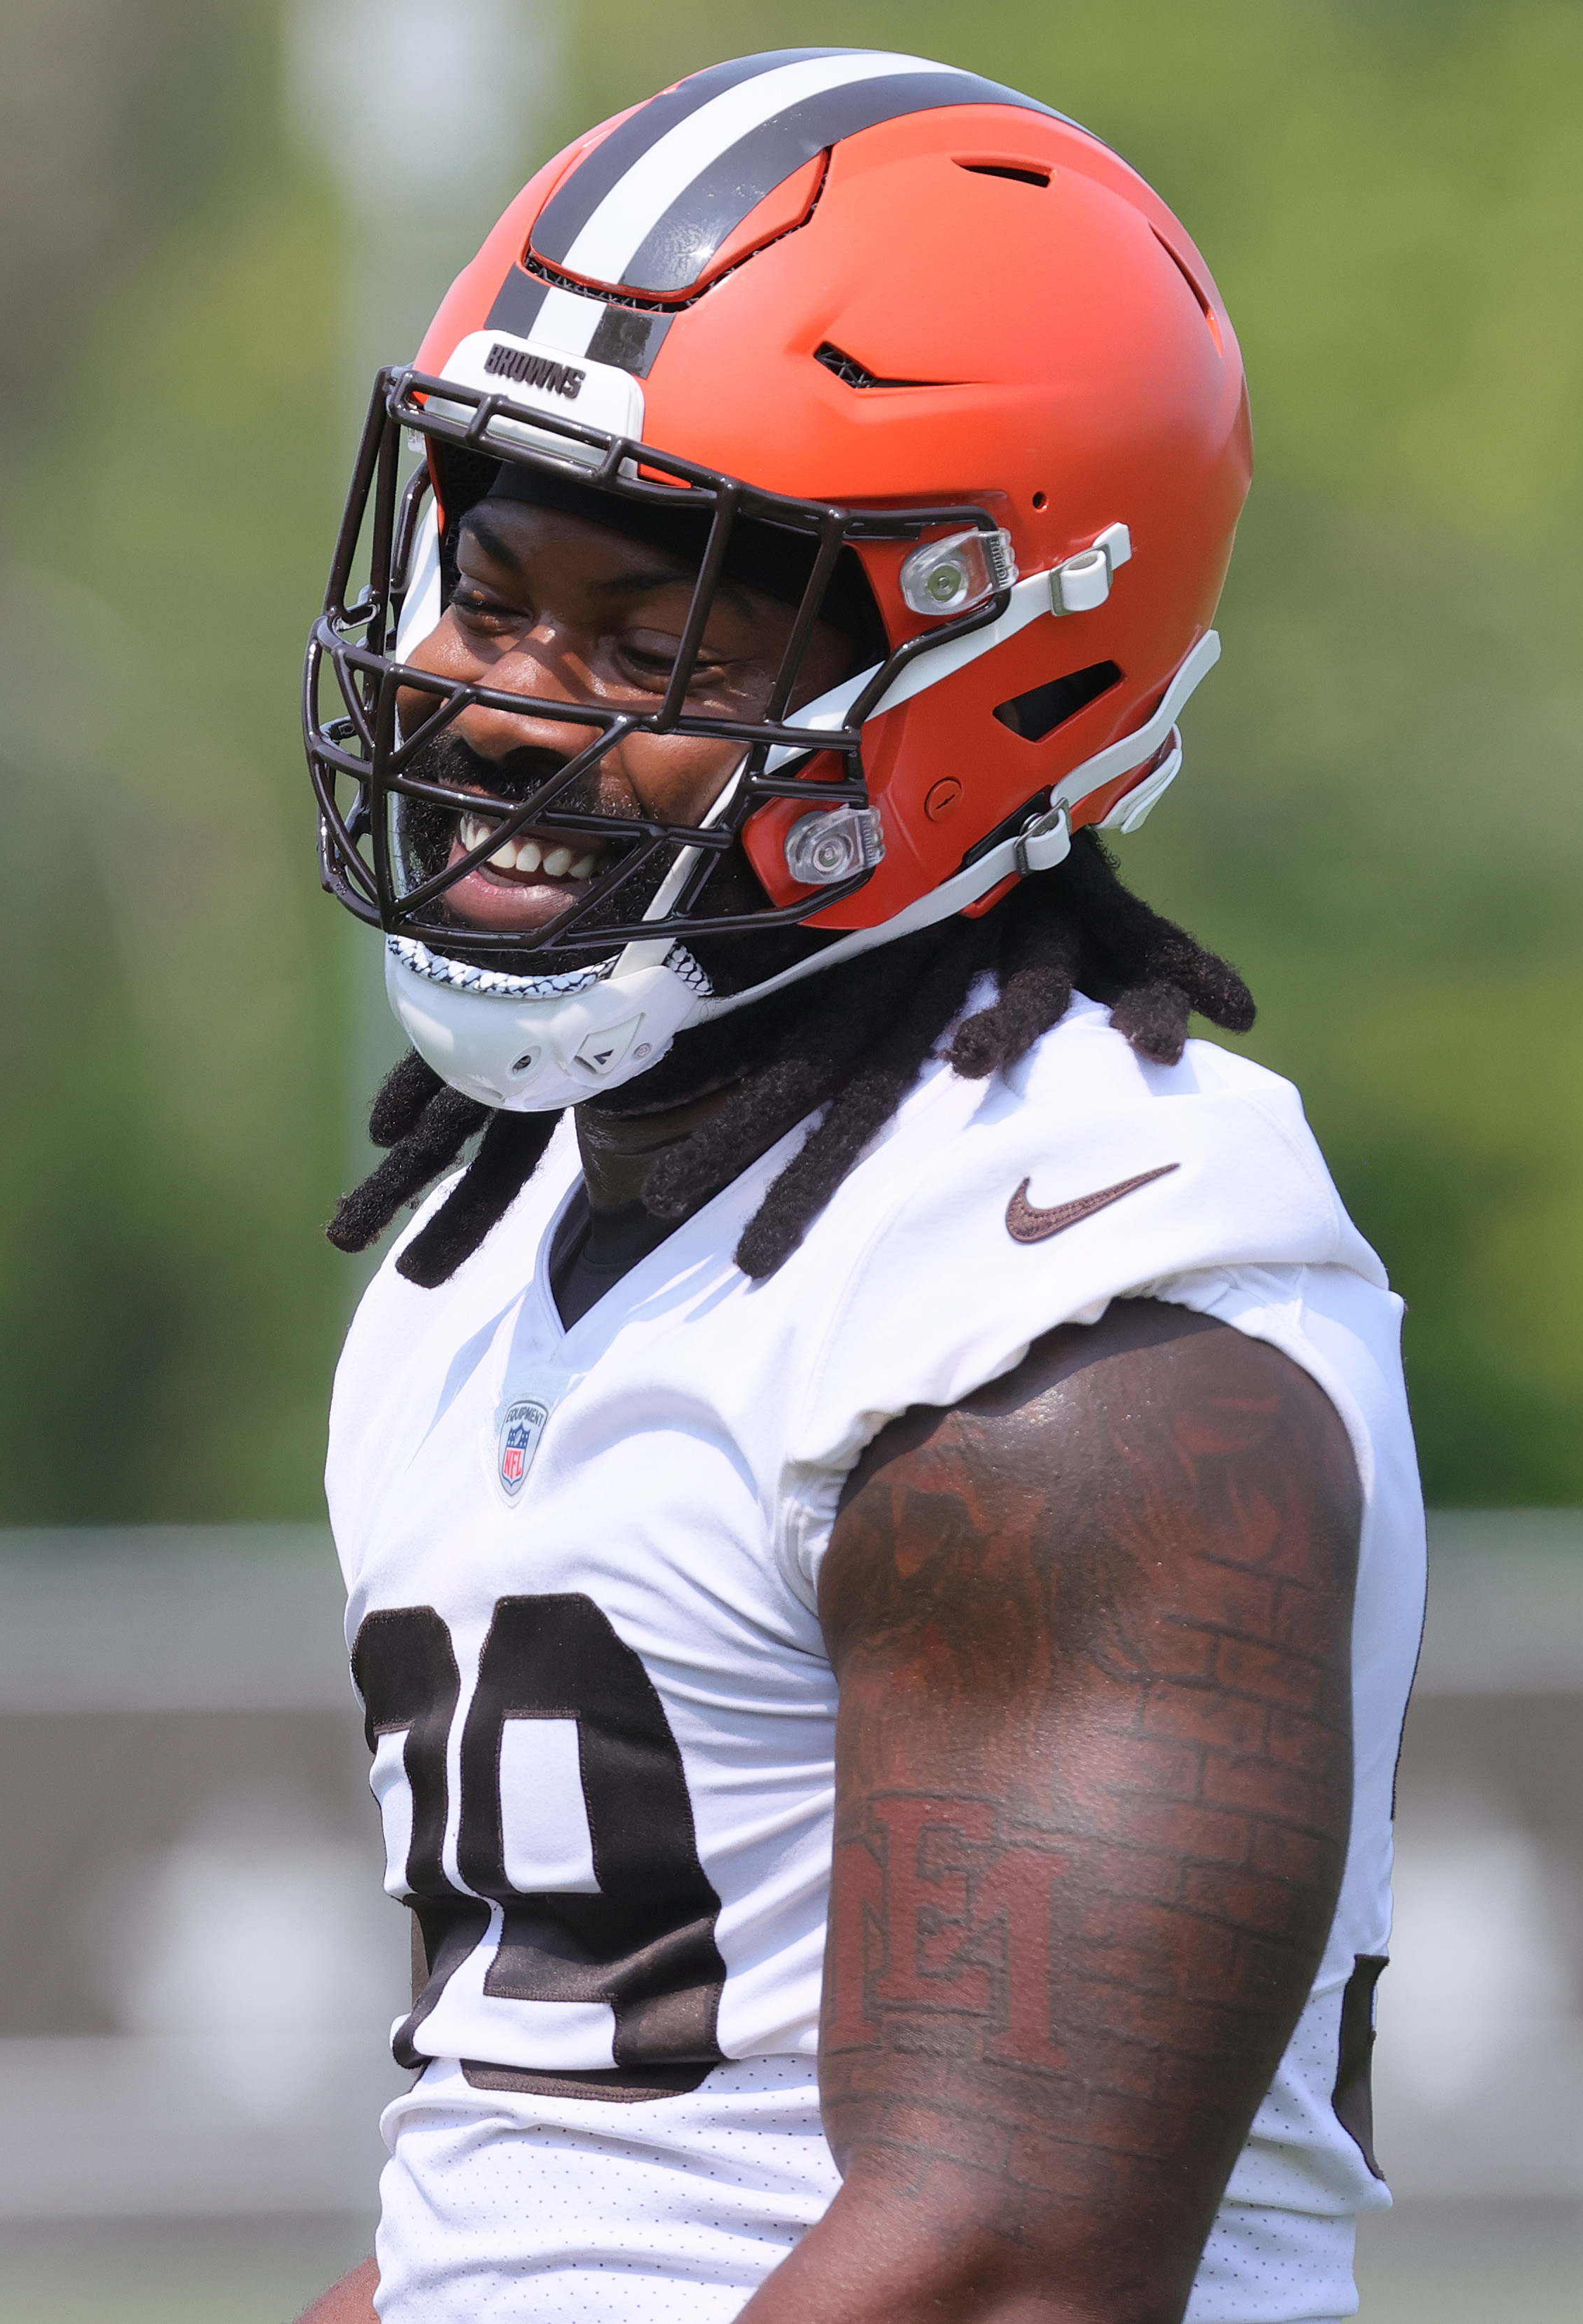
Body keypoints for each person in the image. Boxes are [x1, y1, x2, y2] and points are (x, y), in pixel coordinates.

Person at [296, 47, 1425, 2324]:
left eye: (650, 645)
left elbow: (1004, 2274)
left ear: (999, 681)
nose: (510, 707)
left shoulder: (1077, 1306)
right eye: (490, 593)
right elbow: (528, 2215)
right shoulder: (496, 1241)